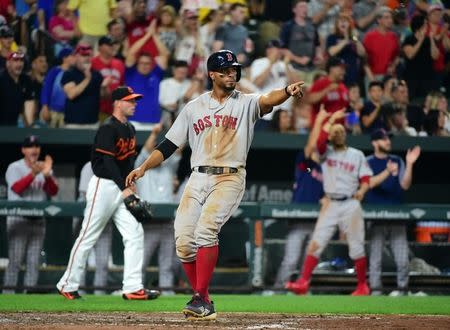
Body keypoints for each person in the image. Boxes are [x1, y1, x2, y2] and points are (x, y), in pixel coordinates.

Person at [126, 50, 304, 320]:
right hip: (197, 176)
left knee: (206, 231)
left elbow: (269, 99)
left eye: (234, 70)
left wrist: (287, 91)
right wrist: (142, 167)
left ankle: (199, 298)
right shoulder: (194, 107)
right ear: (212, 74)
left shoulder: (246, 102)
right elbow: (169, 144)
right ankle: (204, 299)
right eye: (226, 70)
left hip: (230, 176)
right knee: (184, 242)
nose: (232, 73)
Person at [56, 86, 160, 301]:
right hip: (103, 185)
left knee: (135, 234)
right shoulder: (108, 128)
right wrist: (124, 188)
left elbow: (128, 162)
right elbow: (108, 162)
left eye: (135, 100)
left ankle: (132, 287)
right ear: (118, 103)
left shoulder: (129, 128)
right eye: (130, 101)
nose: (134, 104)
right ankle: (67, 283)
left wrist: (131, 186)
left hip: (122, 186)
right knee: (88, 235)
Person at [286, 109, 373, 296]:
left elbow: (366, 177)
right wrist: (330, 120)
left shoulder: (357, 154)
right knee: (316, 243)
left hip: (350, 203)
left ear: (346, 134)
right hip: (331, 204)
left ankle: (362, 286)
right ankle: (303, 282)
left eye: (341, 131)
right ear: (331, 137)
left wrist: (362, 190)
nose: (339, 134)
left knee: (356, 246)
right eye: (335, 132)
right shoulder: (326, 154)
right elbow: (318, 143)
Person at [273, 107, 327, 289]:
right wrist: (319, 122)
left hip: (315, 223)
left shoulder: (323, 171)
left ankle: (301, 289)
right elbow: (310, 146)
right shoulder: (306, 166)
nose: (314, 151)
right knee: (291, 259)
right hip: (298, 220)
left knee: (307, 262)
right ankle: (278, 289)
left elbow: (324, 196)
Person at [367, 129, 421, 295]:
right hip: (375, 216)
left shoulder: (397, 160)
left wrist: (410, 163)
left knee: (402, 259)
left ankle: (402, 291)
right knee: (375, 260)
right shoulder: (367, 161)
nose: (388, 142)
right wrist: (387, 172)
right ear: (375, 143)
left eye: (388, 139)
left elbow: (405, 185)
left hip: (397, 215)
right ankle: (376, 293)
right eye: (383, 139)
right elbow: (369, 183)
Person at [3, 135, 58, 293]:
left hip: (38, 221)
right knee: (15, 261)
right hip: (18, 220)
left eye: (36, 146)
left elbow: (53, 191)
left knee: (34, 262)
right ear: (23, 150)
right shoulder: (15, 167)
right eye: (29, 146)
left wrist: (47, 175)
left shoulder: (43, 168)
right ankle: (8, 296)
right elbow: (16, 189)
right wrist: (32, 174)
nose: (34, 149)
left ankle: (29, 295)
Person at [135, 123, 181, 295]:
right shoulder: (142, 166)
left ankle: (167, 292)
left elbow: (177, 150)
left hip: (168, 223)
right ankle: (135, 288)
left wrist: (177, 129)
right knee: (141, 260)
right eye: (155, 154)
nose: (157, 157)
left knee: (167, 263)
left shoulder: (169, 167)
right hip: (149, 223)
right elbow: (147, 150)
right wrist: (154, 132)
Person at [40, 47, 76, 127]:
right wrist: (45, 106)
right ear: (64, 58)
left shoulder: (74, 73)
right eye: (72, 56)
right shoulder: (55, 71)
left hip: (67, 113)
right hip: (52, 111)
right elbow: (46, 89)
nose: (75, 58)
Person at [0, 52, 35, 126]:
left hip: (15, 124)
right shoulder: (1, 79)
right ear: (8, 63)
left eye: (21, 60)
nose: (19, 64)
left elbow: (29, 102)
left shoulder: (26, 80)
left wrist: (30, 125)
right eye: (15, 60)